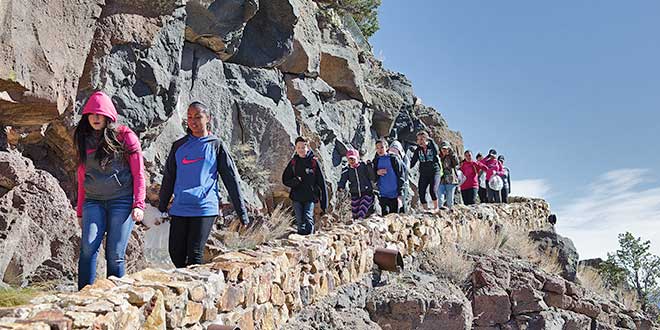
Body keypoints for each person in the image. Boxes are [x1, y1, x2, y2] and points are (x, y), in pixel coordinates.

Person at [158, 102, 249, 268]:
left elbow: (231, 179)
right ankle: (185, 289)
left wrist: (242, 212)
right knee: (176, 253)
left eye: (198, 117)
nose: (193, 121)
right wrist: (161, 206)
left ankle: (197, 292)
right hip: (180, 206)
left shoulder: (216, 145)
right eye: (190, 117)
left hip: (204, 206)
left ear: (208, 118)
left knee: (195, 254)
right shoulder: (179, 146)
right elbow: (169, 178)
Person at [75, 91, 146, 290]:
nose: (96, 118)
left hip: (121, 202)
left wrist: (138, 204)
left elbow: (139, 173)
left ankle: (115, 297)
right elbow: (82, 177)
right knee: (88, 247)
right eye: (92, 114)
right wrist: (80, 211)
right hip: (93, 202)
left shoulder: (125, 136)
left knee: (115, 254)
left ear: (108, 115)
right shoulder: (83, 138)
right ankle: (83, 295)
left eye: (100, 113)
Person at [282, 137, 328, 235]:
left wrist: (324, 204)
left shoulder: (314, 163)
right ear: (296, 148)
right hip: (297, 197)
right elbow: (285, 180)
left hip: (310, 197)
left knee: (308, 218)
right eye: (298, 147)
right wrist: (295, 181)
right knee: (299, 221)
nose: (301, 150)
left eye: (303, 147)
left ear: (307, 148)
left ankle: (310, 239)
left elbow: (322, 183)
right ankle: (300, 245)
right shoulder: (293, 162)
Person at [337, 149, 375, 219]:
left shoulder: (363, 166)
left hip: (366, 192)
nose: (351, 161)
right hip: (355, 193)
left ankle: (360, 222)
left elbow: (372, 176)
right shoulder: (347, 170)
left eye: (353, 159)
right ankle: (356, 225)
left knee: (362, 210)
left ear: (357, 158)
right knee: (355, 213)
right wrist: (340, 186)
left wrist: (370, 166)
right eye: (349, 159)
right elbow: (343, 179)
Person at [410, 131, 443, 211]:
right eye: (418, 140)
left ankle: (436, 208)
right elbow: (413, 161)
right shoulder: (418, 150)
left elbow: (436, 152)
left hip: (435, 171)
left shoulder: (431, 147)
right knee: (421, 192)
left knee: (433, 190)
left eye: (422, 139)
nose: (420, 141)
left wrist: (430, 140)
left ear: (426, 139)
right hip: (424, 173)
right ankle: (426, 210)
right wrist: (407, 167)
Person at [373, 139, 405, 216]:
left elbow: (401, 175)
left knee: (393, 216)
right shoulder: (376, 160)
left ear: (387, 148)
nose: (379, 150)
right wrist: (377, 173)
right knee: (385, 215)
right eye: (377, 148)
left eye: (381, 147)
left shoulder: (393, 158)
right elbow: (372, 176)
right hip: (383, 193)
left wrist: (400, 192)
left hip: (394, 194)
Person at [388, 141, 410, 213]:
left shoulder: (404, 159)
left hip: (402, 184)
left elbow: (405, 172)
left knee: (402, 203)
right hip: (391, 185)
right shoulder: (387, 158)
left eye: (395, 151)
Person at [438, 141, 460, 210]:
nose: (444, 150)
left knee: (450, 199)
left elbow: (456, 163)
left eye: (446, 149)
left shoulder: (451, 156)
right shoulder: (438, 157)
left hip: (451, 180)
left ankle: (449, 212)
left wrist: (452, 153)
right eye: (443, 149)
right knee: (440, 195)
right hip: (440, 179)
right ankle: (440, 211)